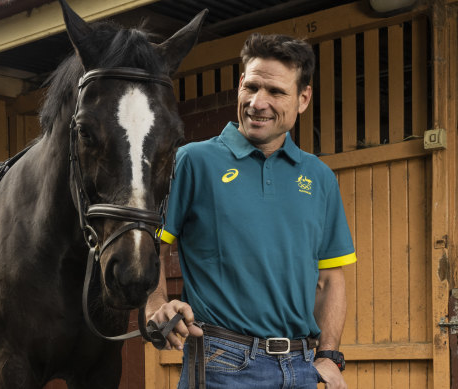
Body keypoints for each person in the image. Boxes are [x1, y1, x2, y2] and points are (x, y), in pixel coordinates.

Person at [146, 33, 357, 389]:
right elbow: (151, 247)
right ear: (240, 84)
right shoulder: (192, 162)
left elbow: (330, 279)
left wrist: (330, 356)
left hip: (301, 368)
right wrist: (156, 307)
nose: (259, 103)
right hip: (221, 364)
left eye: (275, 92)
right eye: (252, 86)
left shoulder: (320, 178)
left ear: (303, 98)